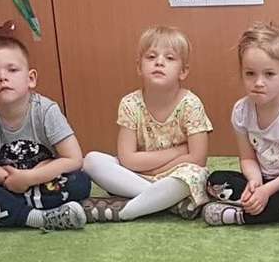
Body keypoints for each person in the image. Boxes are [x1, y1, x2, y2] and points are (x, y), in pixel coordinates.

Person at [0, 36, 91, 233]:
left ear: (31, 79)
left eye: (12, 70)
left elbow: (74, 159)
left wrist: (29, 178)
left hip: (42, 180)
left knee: (80, 182)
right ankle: (37, 217)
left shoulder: (46, 110)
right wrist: (13, 180)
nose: (2, 77)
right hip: (5, 184)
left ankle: (0, 212)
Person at [81, 26, 213, 221]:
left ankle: (127, 212)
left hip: (176, 175)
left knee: (195, 176)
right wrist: (178, 151)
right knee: (91, 161)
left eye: (169, 58)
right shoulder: (130, 103)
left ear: (183, 71)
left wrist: (157, 170)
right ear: (139, 67)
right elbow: (128, 159)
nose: (159, 62)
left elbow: (197, 159)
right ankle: (167, 202)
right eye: (151, 57)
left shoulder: (191, 104)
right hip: (138, 174)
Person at [203, 23, 279, 229]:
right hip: (263, 177)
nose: (258, 82)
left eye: (269, 74)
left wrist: (267, 192)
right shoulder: (241, 111)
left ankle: (239, 216)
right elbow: (247, 158)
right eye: (250, 74)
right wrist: (255, 183)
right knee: (213, 182)